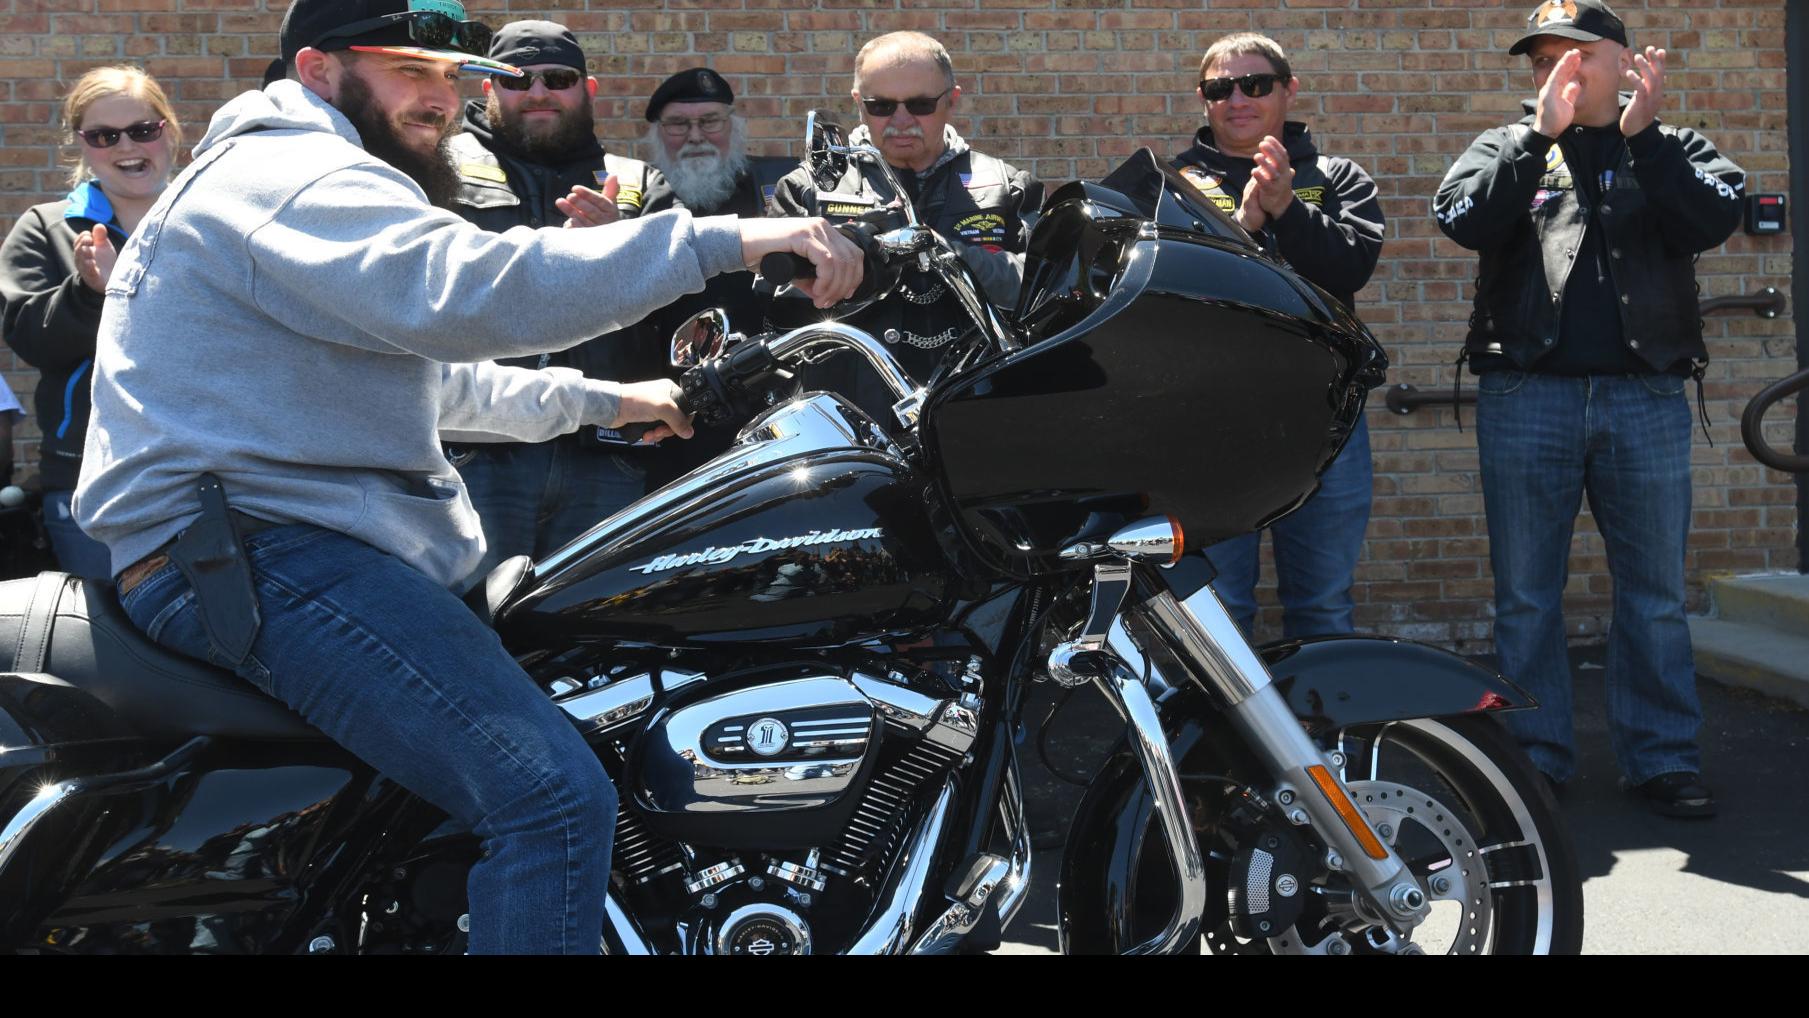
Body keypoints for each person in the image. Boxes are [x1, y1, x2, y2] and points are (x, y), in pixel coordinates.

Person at [73, 0, 861, 953]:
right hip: (262, 554)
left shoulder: (286, 178)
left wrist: (613, 401)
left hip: (265, 547)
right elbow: (473, 291)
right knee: (550, 800)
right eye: (409, 71)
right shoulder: (288, 171)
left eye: (451, 78)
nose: (440, 99)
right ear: (318, 70)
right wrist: (721, 240)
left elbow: (429, 379)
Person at [1433, 0, 1744, 817]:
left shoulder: (1673, 147)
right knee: (1525, 595)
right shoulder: (1506, 145)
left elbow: (1713, 219)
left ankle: (1662, 758)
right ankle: (1535, 759)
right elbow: (1459, 220)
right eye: (1541, 60)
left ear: (1622, 63)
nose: (1554, 72)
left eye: (1572, 56)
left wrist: (1646, 141)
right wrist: (1535, 137)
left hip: (1644, 397)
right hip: (1526, 394)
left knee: (1653, 594)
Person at [445, 20, 675, 585]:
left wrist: (623, 244)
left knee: (592, 625)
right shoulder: (437, 168)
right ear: (488, 89)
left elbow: (679, 315)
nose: (538, 92)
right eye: (516, 79)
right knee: (467, 622)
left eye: (558, 78)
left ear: (587, 89)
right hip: (478, 451)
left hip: (605, 454)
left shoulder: (638, 181)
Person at [1172, 33, 1386, 641]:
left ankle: (1318, 710)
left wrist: (1289, 210)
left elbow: (1350, 269)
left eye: (1256, 84)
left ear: (1289, 89)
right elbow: (1169, 291)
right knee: (1219, 616)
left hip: (1325, 421)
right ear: (1204, 98)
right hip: (1207, 425)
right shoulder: (1169, 185)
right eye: (1221, 88)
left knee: (1323, 608)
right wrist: (1243, 227)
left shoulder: (1337, 178)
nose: (1238, 99)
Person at [768, 31, 1042, 425]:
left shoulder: (1007, 185)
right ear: (859, 104)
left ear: (952, 100)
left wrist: (944, 251)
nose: (901, 121)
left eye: (919, 105)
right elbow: (776, 312)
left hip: (976, 415)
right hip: (851, 422)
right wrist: (850, 265)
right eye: (881, 106)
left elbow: (1039, 295)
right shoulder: (807, 189)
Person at [1, 65, 182, 581]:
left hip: (213, 469)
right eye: (104, 136)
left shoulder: (211, 218)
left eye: (142, 130)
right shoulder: (46, 227)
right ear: (81, 143)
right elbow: (29, 338)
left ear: (168, 130)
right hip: (91, 475)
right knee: (111, 628)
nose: (127, 146)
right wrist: (89, 293)